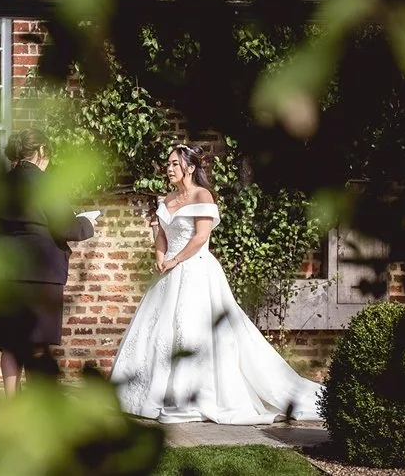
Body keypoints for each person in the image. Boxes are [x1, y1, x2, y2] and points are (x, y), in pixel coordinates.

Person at [110, 143, 322, 424]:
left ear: (191, 167)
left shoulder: (203, 195)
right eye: (168, 164)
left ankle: (192, 397)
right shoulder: (167, 199)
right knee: (156, 330)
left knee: (191, 330)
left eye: (175, 163)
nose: (169, 168)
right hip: (167, 274)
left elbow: (200, 237)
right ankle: (142, 396)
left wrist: (175, 261)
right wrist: (160, 256)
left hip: (195, 270)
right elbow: (161, 233)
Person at [0, 127, 97, 397]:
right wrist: (88, 222)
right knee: (37, 344)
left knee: (11, 344)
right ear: (41, 152)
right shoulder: (46, 183)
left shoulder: (2, 183)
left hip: (7, 270)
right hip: (41, 273)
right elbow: (66, 228)